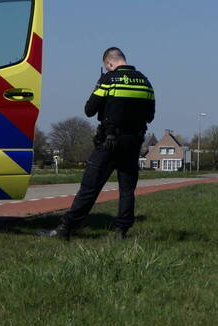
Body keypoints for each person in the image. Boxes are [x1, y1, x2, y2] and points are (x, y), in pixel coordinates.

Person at [41, 47, 155, 240]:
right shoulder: (145, 82)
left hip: (110, 142)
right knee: (127, 189)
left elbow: (89, 110)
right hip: (133, 142)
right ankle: (121, 231)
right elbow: (150, 116)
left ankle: (65, 229)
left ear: (109, 63)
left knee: (90, 186)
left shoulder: (108, 79)